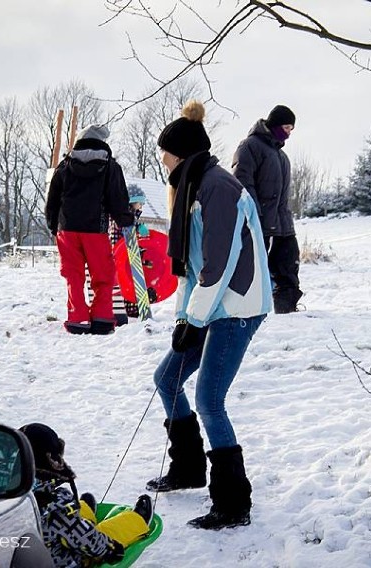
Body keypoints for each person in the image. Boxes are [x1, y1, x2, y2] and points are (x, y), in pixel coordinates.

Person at [146, 100, 272, 530]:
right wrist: (185, 319)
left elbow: (218, 265)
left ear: (179, 152)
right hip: (212, 305)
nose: (160, 158)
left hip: (238, 307)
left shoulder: (218, 188)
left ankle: (233, 503)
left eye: (164, 151)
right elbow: (191, 268)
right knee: (167, 379)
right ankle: (187, 468)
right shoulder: (191, 190)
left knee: (209, 400)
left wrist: (195, 319)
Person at [19, 423, 153, 567]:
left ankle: (82, 514)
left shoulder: (10, 495)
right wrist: (111, 548)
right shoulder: (53, 507)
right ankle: (136, 520)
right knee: (100, 532)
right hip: (65, 562)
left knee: (68, 520)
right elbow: (89, 541)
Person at [45, 124, 135, 335]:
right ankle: (102, 319)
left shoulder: (65, 165)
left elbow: (53, 200)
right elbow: (117, 198)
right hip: (96, 229)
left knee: (73, 276)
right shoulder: (110, 166)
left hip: (67, 230)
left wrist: (52, 225)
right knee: (103, 275)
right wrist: (126, 220)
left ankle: (77, 319)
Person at [232, 104, 304, 314]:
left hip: (282, 223)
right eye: (287, 127)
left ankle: (287, 310)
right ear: (275, 124)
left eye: (292, 129)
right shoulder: (250, 146)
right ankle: (248, 310)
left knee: (289, 266)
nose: (289, 133)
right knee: (254, 271)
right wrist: (256, 216)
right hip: (260, 223)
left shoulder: (282, 157)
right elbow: (243, 183)